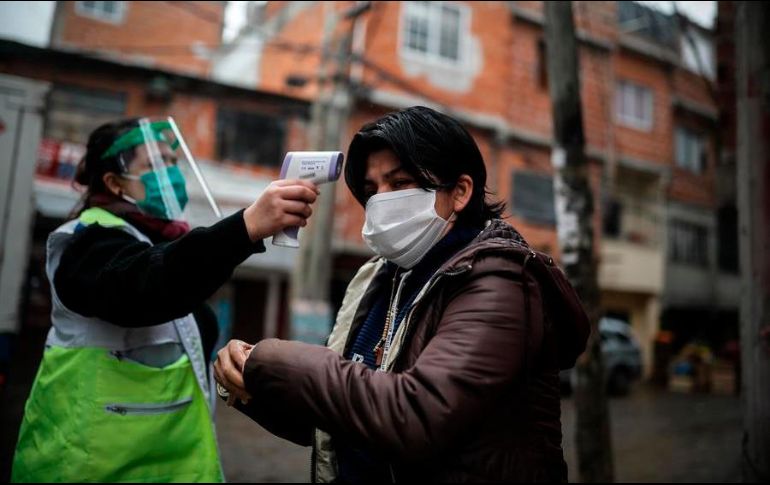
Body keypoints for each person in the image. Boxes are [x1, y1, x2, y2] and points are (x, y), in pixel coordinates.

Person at [214, 106, 591, 483]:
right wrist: (250, 383)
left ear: (459, 192)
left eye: (399, 183)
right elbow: (336, 419)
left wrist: (277, 360)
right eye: (370, 190)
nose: (380, 200)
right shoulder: (377, 279)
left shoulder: (501, 281)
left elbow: (417, 416)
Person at [11, 118, 319, 483]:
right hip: (86, 465)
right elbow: (142, 285)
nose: (171, 172)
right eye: (156, 164)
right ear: (114, 183)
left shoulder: (157, 244)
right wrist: (245, 227)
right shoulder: (86, 242)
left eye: (173, 162)